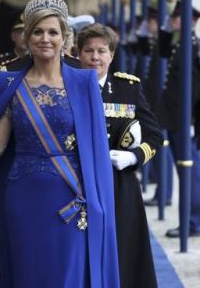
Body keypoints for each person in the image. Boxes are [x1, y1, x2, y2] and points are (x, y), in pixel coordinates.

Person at [0, 0, 120, 287]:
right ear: (26, 37)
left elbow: (97, 151)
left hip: (72, 200)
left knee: (68, 276)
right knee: (27, 275)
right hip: (22, 199)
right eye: (37, 31)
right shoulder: (10, 83)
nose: (45, 38)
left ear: (65, 38)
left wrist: (99, 203)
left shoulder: (84, 82)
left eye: (53, 32)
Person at [78, 23, 162, 288]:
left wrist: (134, 157)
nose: (95, 57)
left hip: (119, 184)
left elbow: (154, 136)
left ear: (111, 55)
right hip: (77, 182)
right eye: (88, 51)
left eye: (102, 51)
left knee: (123, 251)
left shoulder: (128, 88)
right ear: (77, 54)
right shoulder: (66, 88)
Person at [157, 1, 200, 238]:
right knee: (185, 168)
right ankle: (192, 220)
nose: (174, 20)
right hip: (175, 115)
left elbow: (194, 87)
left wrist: (190, 118)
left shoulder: (192, 46)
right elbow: (162, 51)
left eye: (177, 17)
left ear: (191, 20)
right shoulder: (181, 44)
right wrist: (166, 27)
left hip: (183, 117)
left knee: (189, 169)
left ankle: (193, 221)